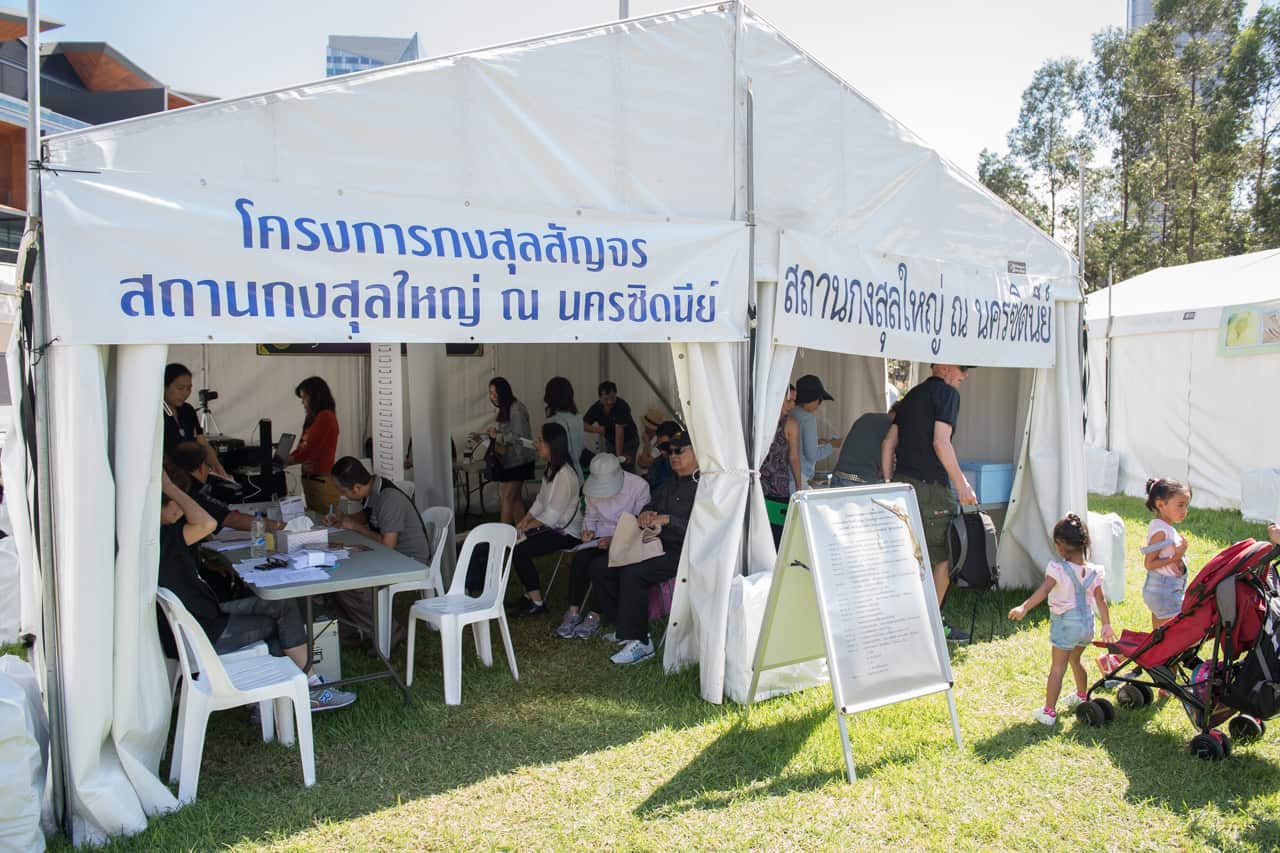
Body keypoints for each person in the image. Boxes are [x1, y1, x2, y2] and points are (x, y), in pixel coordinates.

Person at [157, 469, 355, 711]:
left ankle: (279, 699)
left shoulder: (157, 537)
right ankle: (303, 693)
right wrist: (168, 485)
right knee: (280, 625)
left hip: (201, 616)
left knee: (280, 605)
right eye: (177, 504)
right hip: (201, 630)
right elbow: (207, 522)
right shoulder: (162, 537)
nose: (182, 510)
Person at [881, 363, 977, 642]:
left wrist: (889, 484)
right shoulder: (947, 395)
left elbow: (889, 442)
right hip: (932, 489)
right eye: (962, 369)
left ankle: (904, 622)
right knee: (943, 558)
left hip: (902, 485)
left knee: (909, 557)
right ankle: (930, 629)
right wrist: (962, 484)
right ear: (945, 368)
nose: (965, 375)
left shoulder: (910, 396)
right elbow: (941, 443)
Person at [591, 428, 699, 665]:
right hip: (656, 544)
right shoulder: (670, 484)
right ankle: (624, 627)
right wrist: (646, 513)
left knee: (634, 573)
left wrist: (669, 520)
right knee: (603, 566)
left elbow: (704, 525)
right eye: (669, 451)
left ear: (697, 452)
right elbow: (650, 505)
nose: (673, 456)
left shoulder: (706, 487)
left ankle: (641, 641)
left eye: (679, 450)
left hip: (685, 551)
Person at [1008, 513, 1116, 726]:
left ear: (1059, 545)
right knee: (1076, 660)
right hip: (1087, 626)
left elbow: (1043, 590)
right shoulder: (1094, 571)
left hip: (1066, 625)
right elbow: (1101, 601)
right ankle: (1082, 696)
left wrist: (1024, 607)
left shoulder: (1058, 569)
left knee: (1058, 668)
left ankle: (1049, 712)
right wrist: (1106, 625)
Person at [327, 457, 436, 650]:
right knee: (336, 575)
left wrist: (354, 527)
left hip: (409, 561)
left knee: (350, 584)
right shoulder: (373, 491)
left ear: (357, 488)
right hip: (392, 555)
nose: (340, 495)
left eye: (342, 491)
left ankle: (391, 633)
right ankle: (349, 634)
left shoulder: (389, 498)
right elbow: (368, 516)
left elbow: (387, 546)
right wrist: (345, 519)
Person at [555, 453, 650, 640]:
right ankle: (573, 611)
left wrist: (615, 539)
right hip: (598, 538)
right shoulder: (591, 489)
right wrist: (587, 531)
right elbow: (590, 516)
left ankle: (595, 614)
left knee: (599, 566)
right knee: (580, 559)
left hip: (627, 539)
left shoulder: (639, 486)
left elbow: (641, 523)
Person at [506, 422, 584, 618]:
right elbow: (541, 501)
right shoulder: (552, 469)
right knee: (516, 543)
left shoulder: (565, 475)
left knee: (519, 548)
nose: (537, 444)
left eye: (541, 440)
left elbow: (551, 517)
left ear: (552, 445)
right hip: (555, 527)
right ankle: (529, 594)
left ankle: (536, 602)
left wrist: (526, 527)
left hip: (567, 534)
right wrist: (525, 520)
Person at [170, 441, 284, 536]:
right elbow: (232, 520)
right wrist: (280, 526)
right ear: (201, 467)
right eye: (207, 466)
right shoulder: (191, 491)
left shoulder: (177, 485)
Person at [162, 363, 229, 479]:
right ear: (164, 387)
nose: (185, 393)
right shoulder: (155, 414)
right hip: (169, 475)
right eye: (180, 388)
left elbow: (202, 442)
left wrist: (218, 467)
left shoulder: (188, 410)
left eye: (189, 388)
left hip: (192, 474)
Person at [1142, 477, 1192, 629]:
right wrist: (1176, 557)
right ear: (1160, 504)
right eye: (1180, 505)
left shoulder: (1165, 528)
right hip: (1164, 592)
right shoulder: (1161, 531)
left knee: (1160, 638)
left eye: (1186, 505)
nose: (1184, 511)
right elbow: (1149, 563)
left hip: (1165, 590)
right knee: (1178, 633)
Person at [289, 376, 341, 514]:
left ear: (315, 397)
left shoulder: (326, 417)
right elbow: (302, 447)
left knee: (326, 522)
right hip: (311, 481)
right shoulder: (312, 418)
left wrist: (288, 460)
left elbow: (309, 449)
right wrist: (289, 458)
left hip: (321, 482)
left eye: (304, 397)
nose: (303, 402)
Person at [488, 377, 535, 526]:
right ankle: (521, 534)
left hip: (519, 460)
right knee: (514, 498)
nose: (492, 397)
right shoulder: (505, 408)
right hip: (510, 460)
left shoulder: (516, 408)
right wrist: (495, 432)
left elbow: (520, 436)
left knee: (507, 497)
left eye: (495, 393)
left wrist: (499, 435)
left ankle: (504, 536)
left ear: (504, 392)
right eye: (490, 393)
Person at [787, 374, 841, 493]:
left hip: (784, 474)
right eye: (819, 400)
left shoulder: (790, 412)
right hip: (798, 478)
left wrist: (817, 442)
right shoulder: (808, 418)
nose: (819, 405)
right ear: (815, 399)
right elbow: (812, 455)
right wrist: (832, 445)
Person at [759, 385, 797, 546]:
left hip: (777, 490)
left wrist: (799, 487)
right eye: (788, 400)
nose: (792, 405)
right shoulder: (759, 420)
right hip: (758, 489)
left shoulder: (790, 423)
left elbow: (794, 457)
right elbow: (794, 457)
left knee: (777, 538)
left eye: (793, 401)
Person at [832, 402, 899, 487]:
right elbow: (887, 455)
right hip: (861, 481)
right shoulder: (893, 426)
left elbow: (845, 444)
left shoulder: (866, 417)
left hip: (838, 476)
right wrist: (888, 481)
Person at [583, 381, 639, 468]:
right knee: (611, 468)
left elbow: (619, 433)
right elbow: (583, 424)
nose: (609, 402)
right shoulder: (596, 408)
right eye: (606, 399)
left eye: (612, 398)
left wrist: (619, 457)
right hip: (611, 442)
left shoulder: (622, 406)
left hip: (629, 442)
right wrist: (596, 429)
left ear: (616, 394)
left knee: (626, 468)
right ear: (600, 398)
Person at [543, 376, 586, 479]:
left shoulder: (553, 421)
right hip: (578, 472)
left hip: (560, 473)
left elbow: (553, 453)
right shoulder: (578, 417)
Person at [643, 420, 681, 491]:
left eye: (665, 446)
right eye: (660, 446)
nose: (662, 451)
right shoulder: (659, 461)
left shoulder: (686, 466)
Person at [636, 407, 667, 472]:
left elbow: (643, 464)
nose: (644, 427)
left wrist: (647, 444)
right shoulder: (649, 437)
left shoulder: (659, 442)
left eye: (646, 426)